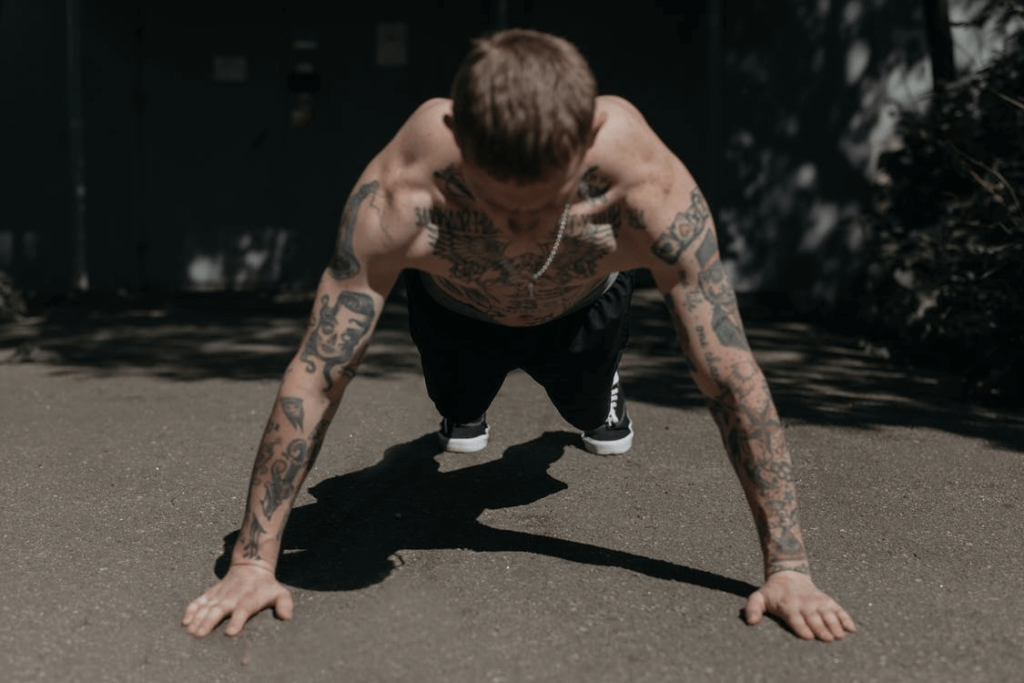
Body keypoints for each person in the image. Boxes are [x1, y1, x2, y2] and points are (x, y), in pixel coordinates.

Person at [182, 28, 857, 642]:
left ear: (589, 134)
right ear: (457, 131)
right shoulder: (399, 192)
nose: (518, 229)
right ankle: (459, 409)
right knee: (458, 414)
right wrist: (251, 561)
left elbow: (728, 371)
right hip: (457, 318)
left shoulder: (650, 188)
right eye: (496, 202)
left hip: (584, 313)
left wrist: (789, 565)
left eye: (546, 201)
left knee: (568, 438)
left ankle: (594, 401)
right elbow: (321, 367)